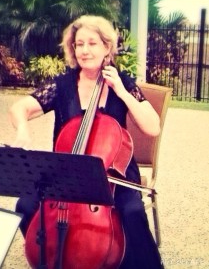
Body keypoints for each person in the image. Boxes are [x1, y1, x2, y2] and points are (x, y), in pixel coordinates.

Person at [9, 15, 164, 268]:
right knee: (25, 205)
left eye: (92, 43)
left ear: (107, 47)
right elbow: (19, 108)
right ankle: (52, 257)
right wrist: (23, 131)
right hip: (65, 174)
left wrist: (123, 94)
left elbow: (152, 127)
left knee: (132, 212)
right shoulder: (62, 85)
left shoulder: (122, 83)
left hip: (112, 175)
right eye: (79, 44)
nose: (84, 50)